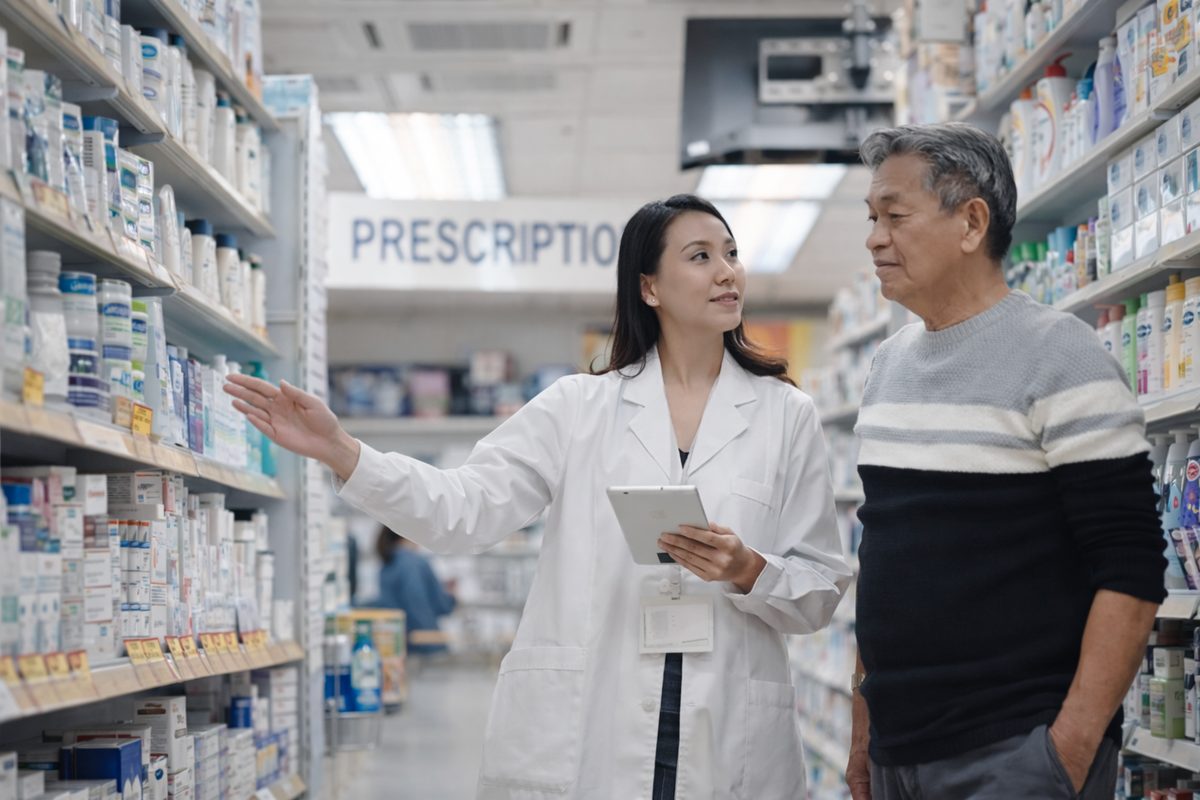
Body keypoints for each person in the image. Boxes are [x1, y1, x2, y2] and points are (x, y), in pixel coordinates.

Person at [226, 193, 852, 799]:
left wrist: (749, 570)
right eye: (700, 256)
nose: (727, 272)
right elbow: (460, 511)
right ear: (649, 287)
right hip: (595, 726)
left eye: (732, 253)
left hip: (729, 729)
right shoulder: (578, 407)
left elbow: (819, 591)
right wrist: (342, 450)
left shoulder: (785, 415)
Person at [848, 122, 1167, 800]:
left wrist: (1065, 754)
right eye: (872, 218)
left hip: (1011, 751)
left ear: (971, 222)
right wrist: (862, 733)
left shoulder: (1062, 356)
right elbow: (881, 558)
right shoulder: (887, 368)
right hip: (895, 752)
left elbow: (1132, 572)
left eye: (894, 216)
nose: (875, 238)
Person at [371, 526, 456, 656]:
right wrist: (451, 596)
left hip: (397, 646)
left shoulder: (388, 563)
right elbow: (432, 607)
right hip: (424, 645)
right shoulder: (415, 563)